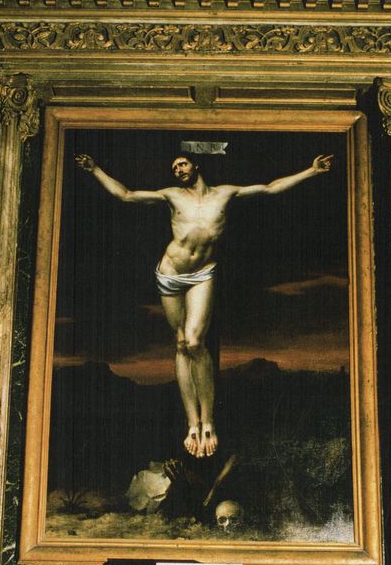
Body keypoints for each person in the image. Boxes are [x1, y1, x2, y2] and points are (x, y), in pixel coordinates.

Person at [75, 151, 333, 458]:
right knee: (182, 343)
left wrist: (311, 171)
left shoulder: (224, 193)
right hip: (170, 272)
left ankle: (208, 421)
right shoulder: (171, 195)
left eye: (182, 163)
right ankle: (192, 424)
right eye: (173, 167)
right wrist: (95, 170)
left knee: (196, 342)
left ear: (196, 165)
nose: (178, 169)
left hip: (202, 274)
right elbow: (127, 195)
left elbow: (269, 188)